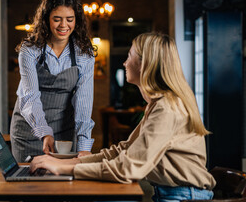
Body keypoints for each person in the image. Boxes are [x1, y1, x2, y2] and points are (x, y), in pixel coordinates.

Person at [30, 32, 216, 201]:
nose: (125, 63)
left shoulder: (168, 108)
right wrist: (70, 161)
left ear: (145, 64)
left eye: (129, 56)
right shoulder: (159, 104)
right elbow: (122, 151)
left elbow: (129, 168)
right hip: (173, 193)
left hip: (185, 196)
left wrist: (64, 168)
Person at [10, 0, 97, 162]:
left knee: (63, 185)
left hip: (63, 134)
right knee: (27, 184)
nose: (64, 25)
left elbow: (83, 102)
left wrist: (84, 147)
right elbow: (30, 97)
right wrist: (43, 132)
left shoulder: (84, 55)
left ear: (77, 21)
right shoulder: (30, 50)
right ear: (46, 19)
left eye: (69, 19)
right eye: (57, 19)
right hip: (28, 131)